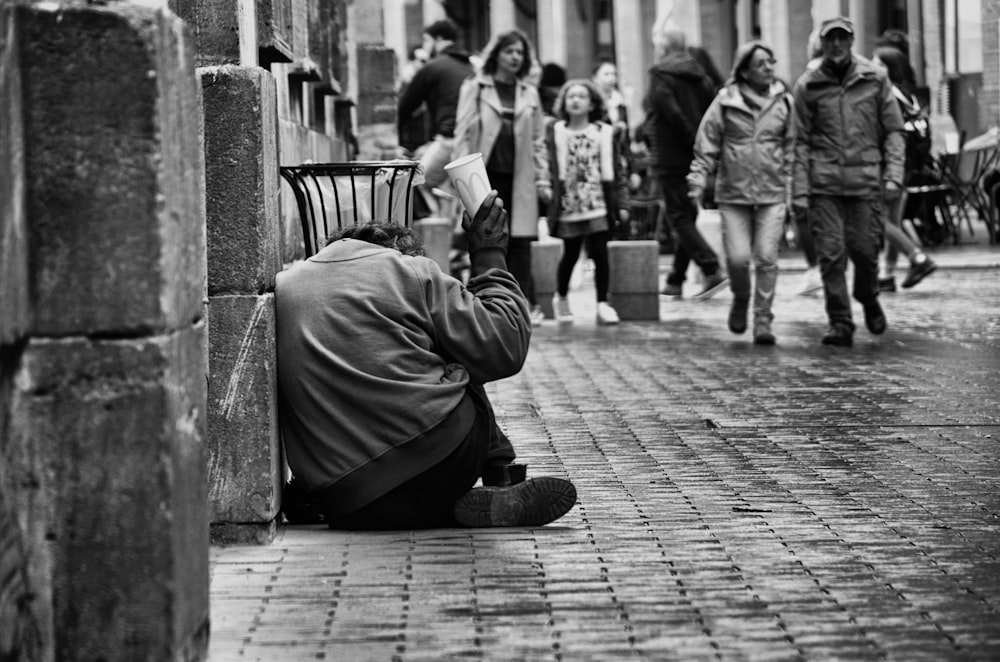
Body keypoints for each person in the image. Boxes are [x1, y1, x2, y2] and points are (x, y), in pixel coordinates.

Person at [275, 191, 578, 529]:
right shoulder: (409, 271)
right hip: (440, 461)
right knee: (460, 356)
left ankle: (446, 508)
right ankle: (501, 477)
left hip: (347, 502)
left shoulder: (285, 286)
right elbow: (503, 345)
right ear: (397, 250)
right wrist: (489, 253)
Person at [791, 17, 905, 346]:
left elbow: (894, 131)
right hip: (823, 183)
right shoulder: (808, 86)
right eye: (831, 39)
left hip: (866, 180)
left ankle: (868, 298)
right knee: (830, 253)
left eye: (843, 38)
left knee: (866, 252)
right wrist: (799, 190)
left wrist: (894, 174)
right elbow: (799, 142)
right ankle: (840, 320)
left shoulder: (875, 79)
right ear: (822, 44)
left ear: (852, 40)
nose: (837, 45)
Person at [688, 40, 794, 345]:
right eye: (761, 64)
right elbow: (706, 142)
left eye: (771, 62)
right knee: (737, 259)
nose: (769, 68)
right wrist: (697, 178)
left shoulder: (784, 101)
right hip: (733, 193)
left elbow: (792, 144)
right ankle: (741, 298)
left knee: (766, 257)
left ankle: (763, 319)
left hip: (772, 191)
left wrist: (793, 183)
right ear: (745, 70)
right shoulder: (725, 101)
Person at [453, 29, 551, 326]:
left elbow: (538, 140)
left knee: (520, 240)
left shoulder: (529, 92)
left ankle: (521, 306)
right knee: (484, 234)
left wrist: (542, 177)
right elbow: (463, 132)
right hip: (483, 174)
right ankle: (481, 303)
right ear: (497, 53)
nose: (515, 57)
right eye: (510, 51)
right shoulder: (476, 87)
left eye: (520, 53)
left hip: (520, 175)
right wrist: (460, 174)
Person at [642, 20, 729, 300]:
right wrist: (702, 146)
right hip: (694, 154)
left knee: (678, 216)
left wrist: (691, 140)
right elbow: (711, 114)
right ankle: (675, 279)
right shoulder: (700, 75)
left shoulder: (660, 75)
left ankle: (712, 267)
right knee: (686, 215)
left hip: (669, 155)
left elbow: (670, 111)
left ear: (665, 48)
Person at [544, 79, 630, 325]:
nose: (576, 100)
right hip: (569, 206)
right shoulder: (556, 131)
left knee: (600, 253)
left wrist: (622, 203)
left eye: (582, 96)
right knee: (570, 254)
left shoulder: (604, 132)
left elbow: (618, 170)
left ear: (592, 103)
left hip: (599, 204)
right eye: (571, 96)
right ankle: (561, 298)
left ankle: (603, 303)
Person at [871, 44, 938, 291]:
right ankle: (887, 276)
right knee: (893, 220)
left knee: (874, 216)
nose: (872, 67)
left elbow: (889, 133)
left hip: (889, 165)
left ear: (890, 68)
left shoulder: (885, 93)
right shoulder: (907, 94)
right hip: (907, 166)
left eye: (877, 63)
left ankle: (917, 257)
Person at [397, 20, 474, 205]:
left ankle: (436, 230)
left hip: (448, 140)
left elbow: (404, 108)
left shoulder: (432, 67)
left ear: (438, 39)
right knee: (460, 195)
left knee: (415, 184)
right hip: (471, 141)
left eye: (426, 40)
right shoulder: (470, 67)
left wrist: (393, 141)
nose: (425, 47)